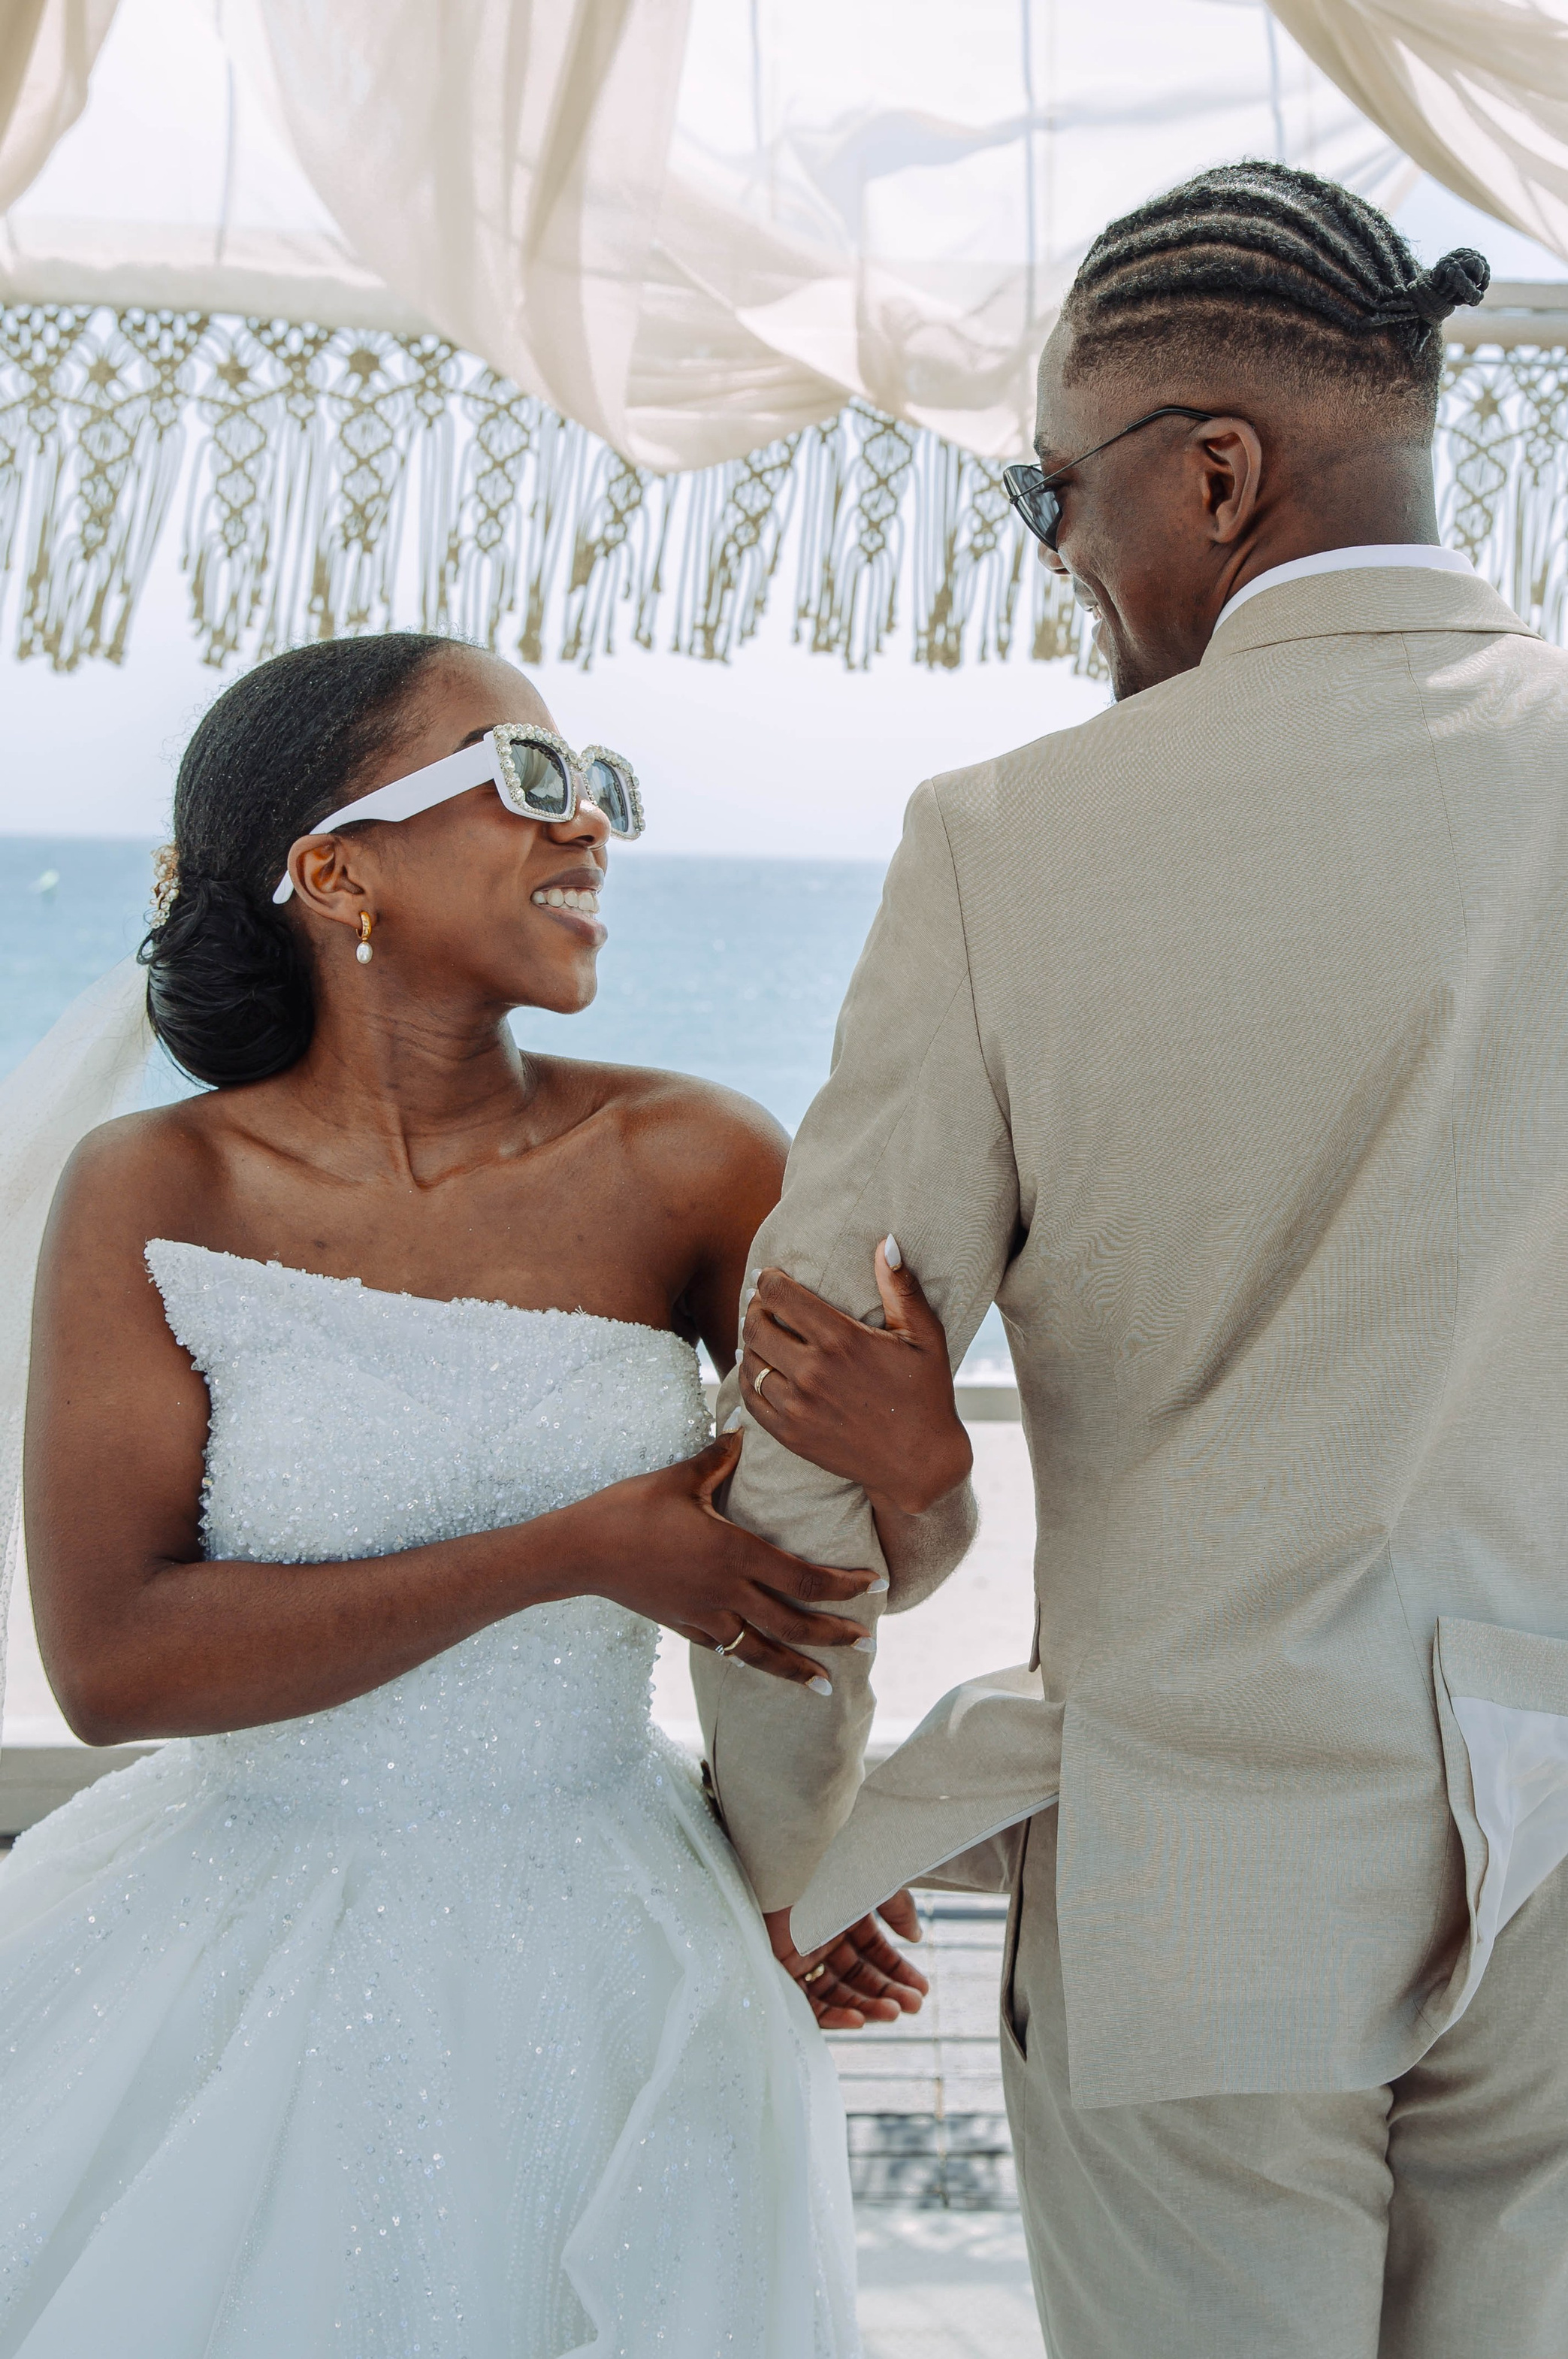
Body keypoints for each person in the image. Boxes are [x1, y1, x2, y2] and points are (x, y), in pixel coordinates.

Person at [693, 164, 1568, 2357]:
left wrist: (790, 1846)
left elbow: (805, 1413)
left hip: (1199, 1851)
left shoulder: (1007, 845)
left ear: (1215, 470)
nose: (1064, 557)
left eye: (1058, 496)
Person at [0, 631, 975, 2357]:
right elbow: (115, 1661)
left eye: (601, 788)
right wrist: (572, 1549)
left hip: (621, 1943)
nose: (588, 830)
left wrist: (928, 1476)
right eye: (529, 781)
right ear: (334, 869)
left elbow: (844, 1561)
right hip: (249, 1950)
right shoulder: (158, 1186)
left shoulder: (694, 1160)